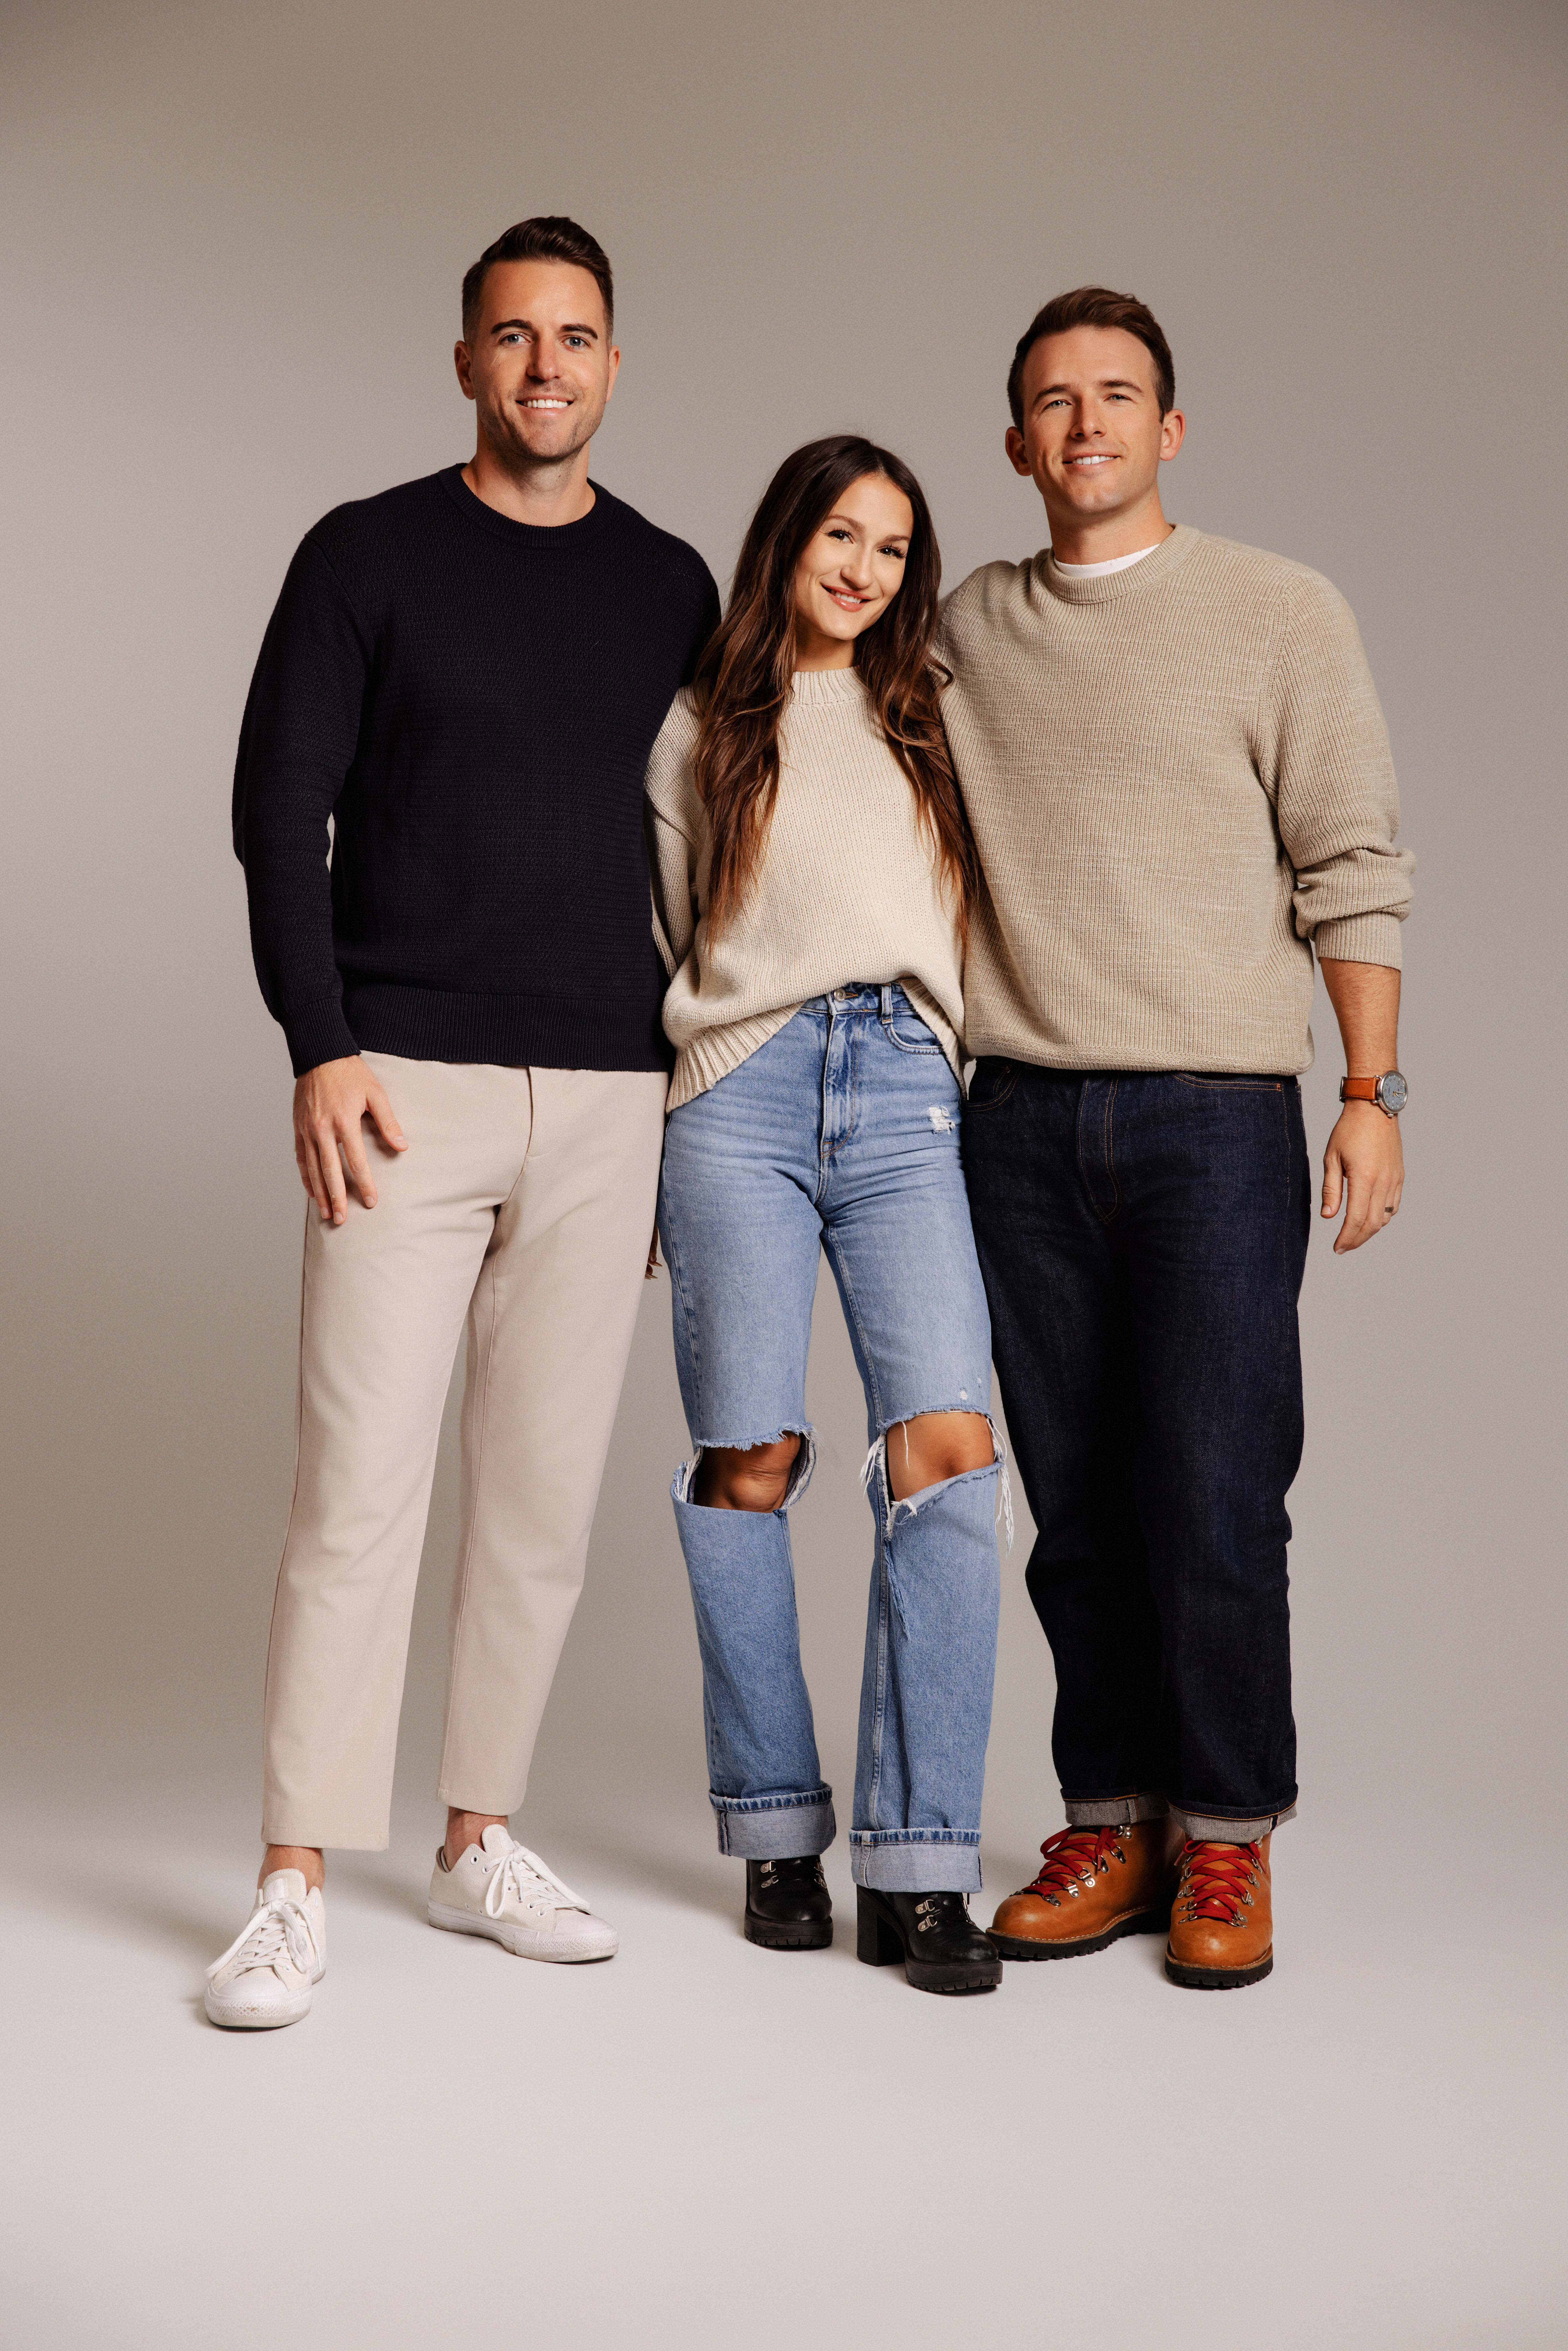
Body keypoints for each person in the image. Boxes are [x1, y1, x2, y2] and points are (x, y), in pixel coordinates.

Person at [206, 216, 719, 2029]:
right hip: (403, 1089)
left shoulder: (671, 584)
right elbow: (282, 814)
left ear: (610, 363)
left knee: (539, 1503)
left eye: (575, 337)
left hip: (611, 1094)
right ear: (465, 363)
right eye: (512, 337)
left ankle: (476, 1834)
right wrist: (321, 1045)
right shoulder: (365, 556)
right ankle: (290, 1877)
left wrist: (699, 1109)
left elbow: (715, 855)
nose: (545, 368)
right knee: (359, 1491)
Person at [937, 287, 1413, 1990]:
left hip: (1218, 1116)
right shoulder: (962, 627)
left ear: (1169, 428)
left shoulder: (1277, 612)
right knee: (1072, 1502)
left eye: (1117, 395)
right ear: (1014, 443)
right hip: (1012, 1118)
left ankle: (1226, 1838)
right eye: (1053, 403)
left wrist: (1366, 1097)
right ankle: (1110, 1814)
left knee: (1214, 1491)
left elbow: (1348, 858)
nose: (1085, 426)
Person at [646, 436, 1006, 1995]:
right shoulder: (695, 733)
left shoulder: (933, 717)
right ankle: (777, 1829)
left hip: (904, 1087)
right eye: (836, 535)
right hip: (737, 1088)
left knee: (947, 1450)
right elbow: (664, 935)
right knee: (753, 1459)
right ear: (786, 540)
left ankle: (921, 1868)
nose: (859, 567)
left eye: (888, 545)